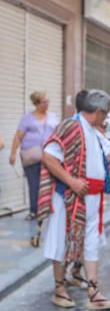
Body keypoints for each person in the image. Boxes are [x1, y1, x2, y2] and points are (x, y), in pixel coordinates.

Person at [38, 89, 110, 311]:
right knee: (61, 240)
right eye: (106, 114)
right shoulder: (72, 126)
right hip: (69, 196)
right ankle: (59, 288)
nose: (106, 118)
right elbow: (48, 155)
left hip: (91, 197)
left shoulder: (92, 130)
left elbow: (102, 156)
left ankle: (94, 290)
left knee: (90, 242)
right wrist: (71, 181)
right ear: (98, 111)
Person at [9, 92, 59, 220]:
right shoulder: (27, 118)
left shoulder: (53, 117)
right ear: (36, 103)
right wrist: (13, 153)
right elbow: (18, 136)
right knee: (34, 184)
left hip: (49, 155)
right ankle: (34, 211)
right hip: (32, 155)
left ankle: (49, 208)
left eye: (48, 101)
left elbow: (58, 134)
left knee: (51, 182)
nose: (47, 104)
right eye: (44, 101)